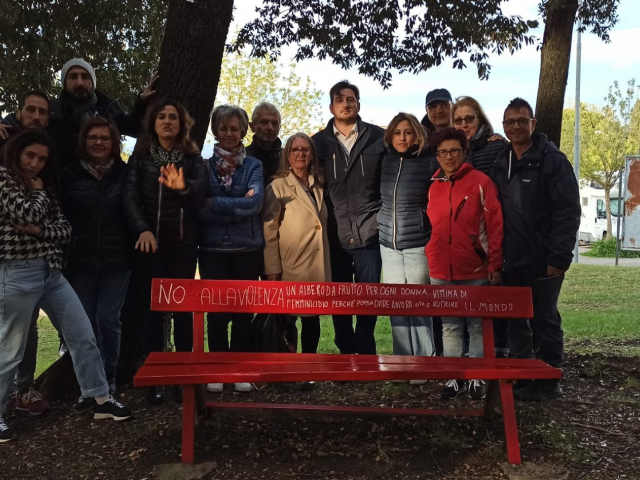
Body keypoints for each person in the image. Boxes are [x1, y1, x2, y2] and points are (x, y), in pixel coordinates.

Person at [0, 130, 131, 443]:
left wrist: (37, 228)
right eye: (30, 155)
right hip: (16, 274)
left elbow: (66, 231)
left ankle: (100, 398)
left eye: (42, 159)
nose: (34, 163)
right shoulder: (4, 178)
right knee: (10, 349)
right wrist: (39, 199)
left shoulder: (46, 184)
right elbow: (27, 212)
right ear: (17, 152)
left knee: (82, 334)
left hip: (52, 273)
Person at [490, 98, 581, 402]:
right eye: (509, 122)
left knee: (544, 319)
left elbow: (567, 211)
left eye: (521, 120)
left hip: (544, 260)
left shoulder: (553, 160)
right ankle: (523, 375)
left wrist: (559, 256)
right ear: (503, 126)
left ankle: (549, 377)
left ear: (532, 124)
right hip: (511, 258)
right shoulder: (501, 160)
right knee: (517, 321)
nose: (515, 126)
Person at [123, 99, 207, 405]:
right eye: (162, 117)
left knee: (184, 312)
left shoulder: (192, 155)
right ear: (153, 123)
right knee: (153, 313)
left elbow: (203, 188)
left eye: (173, 117)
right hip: (149, 245)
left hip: (183, 245)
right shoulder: (141, 157)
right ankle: (158, 378)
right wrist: (141, 230)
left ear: (181, 124)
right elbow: (129, 197)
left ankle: (183, 376)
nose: (167, 121)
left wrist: (183, 186)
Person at [426, 127, 503, 400]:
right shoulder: (434, 185)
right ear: (436, 155)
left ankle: (477, 378)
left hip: (474, 268)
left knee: (476, 325)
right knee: (450, 325)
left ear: (464, 152)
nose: (448, 156)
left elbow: (495, 226)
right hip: (440, 270)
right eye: (442, 152)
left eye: (454, 151)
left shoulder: (481, 182)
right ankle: (454, 377)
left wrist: (494, 264)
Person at [312, 80, 385, 355]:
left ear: (358, 104)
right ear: (331, 106)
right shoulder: (318, 143)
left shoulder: (379, 138)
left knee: (369, 298)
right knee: (339, 298)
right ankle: (345, 352)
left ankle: (365, 352)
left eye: (351, 98)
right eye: (340, 99)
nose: (346, 103)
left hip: (370, 232)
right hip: (334, 234)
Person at [61, 117, 131, 400]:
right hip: (82, 261)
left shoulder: (125, 173)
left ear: (114, 143)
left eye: (105, 138)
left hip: (118, 260)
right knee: (83, 325)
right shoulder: (69, 174)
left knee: (108, 320)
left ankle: (109, 381)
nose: (99, 143)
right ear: (84, 142)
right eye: (93, 138)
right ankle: (88, 386)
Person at [198, 105, 263, 394]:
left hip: (246, 248)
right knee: (217, 312)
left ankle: (239, 370)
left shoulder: (254, 166)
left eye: (234, 128)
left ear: (243, 132)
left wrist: (216, 202)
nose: (228, 133)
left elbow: (256, 204)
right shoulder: (204, 166)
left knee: (243, 312)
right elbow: (200, 208)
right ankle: (217, 369)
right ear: (215, 130)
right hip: (212, 248)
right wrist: (236, 204)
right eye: (223, 128)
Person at [262, 132, 330, 389]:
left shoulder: (318, 184)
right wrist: (272, 269)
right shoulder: (277, 186)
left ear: (312, 153)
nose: (300, 154)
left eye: (305, 149)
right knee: (287, 322)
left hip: (316, 264)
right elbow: (269, 231)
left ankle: (309, 369)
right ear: (287, 155)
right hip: (290, 265)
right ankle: (286, 370)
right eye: (294, 150)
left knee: (312, 320)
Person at [0, 91, 52, 415]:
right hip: (7, 259)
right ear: (19, 114)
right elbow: (27, 214)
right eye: (29, 110)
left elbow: (46, 219)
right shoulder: (4, 155)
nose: (35, 115)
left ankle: (24, 390)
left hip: (32, 261)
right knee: (8, 335)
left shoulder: (47, 157)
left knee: (26, 330)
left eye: (42, 111)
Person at [377, 113, 436, 371]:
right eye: (398, 132)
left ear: (417, 135)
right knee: (396, 305)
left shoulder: (428, 163)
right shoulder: (384, 162)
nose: (402, 137)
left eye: (408, 132)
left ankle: (424, 361)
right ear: (390, 135)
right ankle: (402, 361)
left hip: (417, 244)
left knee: (419, 305)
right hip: (387, 245)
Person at [452, 96, 510, 358]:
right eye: (458, 120)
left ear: (480, 119)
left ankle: (498, 354)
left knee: (490, 305)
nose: (464, 124)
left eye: (469, 118)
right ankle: (467, 358)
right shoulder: (452, 151)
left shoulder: (496, 147)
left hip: (490, 236)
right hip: (462, 242)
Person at [48, 58, 158, 166]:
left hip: (108, 180)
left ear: (92, 82)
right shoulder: (53, 113)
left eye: (85, 76)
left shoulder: (108, 108)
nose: (80, 82)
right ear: (64, 83)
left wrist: (142, 101)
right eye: (73, 77)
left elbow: (133, 128)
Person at [245, 102, 282, 186]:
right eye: (264, 122)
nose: (270, 128)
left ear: (279, 128)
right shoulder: (241, 157)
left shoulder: (289, 159)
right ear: (252, 126)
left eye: (274, 123)